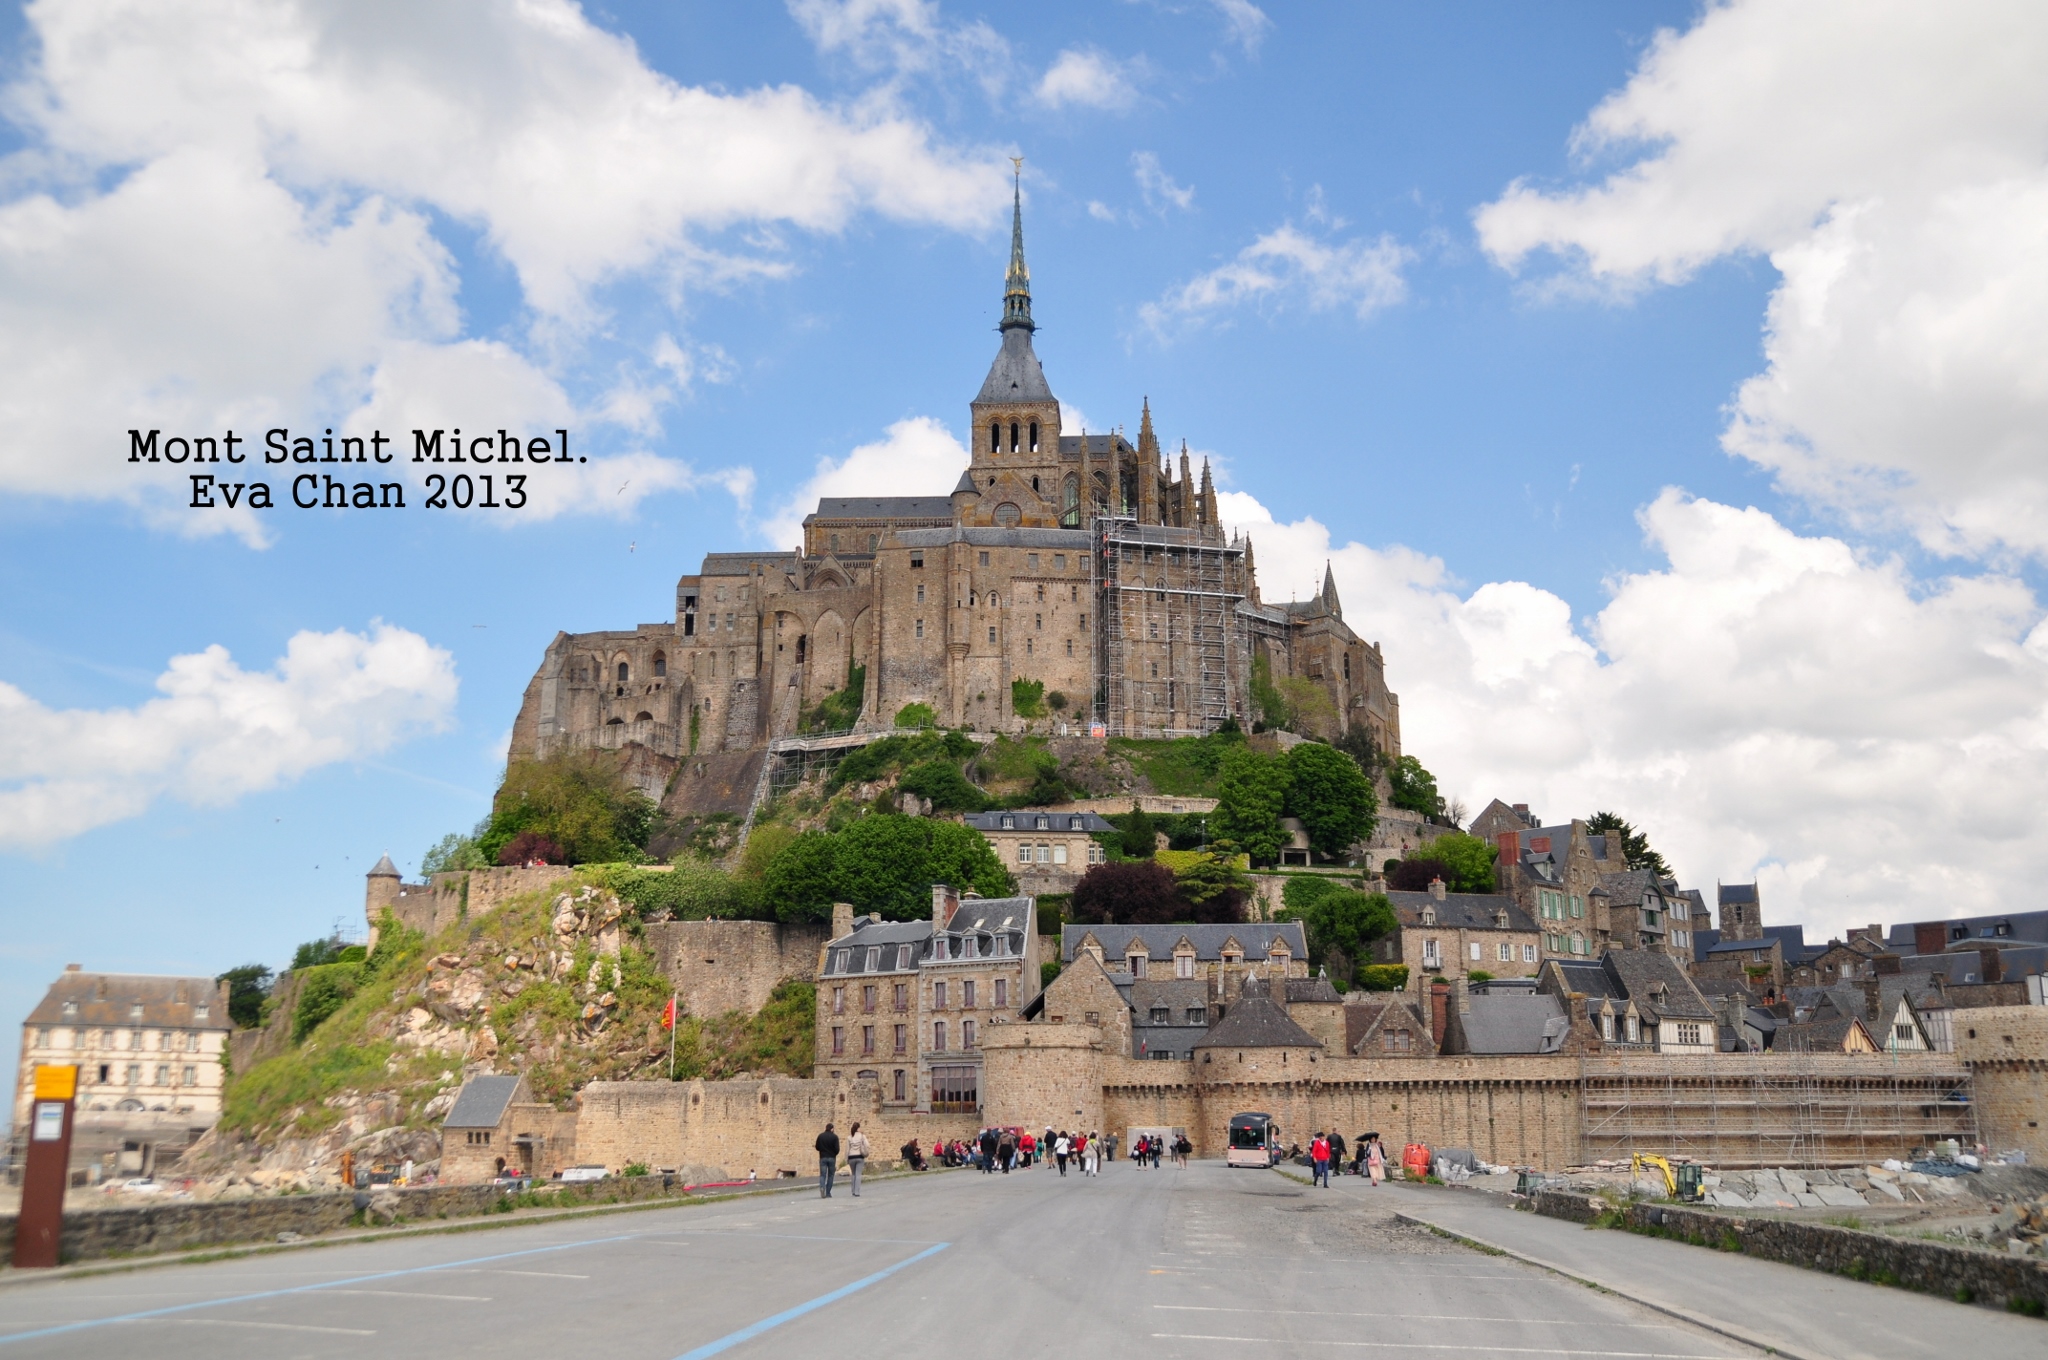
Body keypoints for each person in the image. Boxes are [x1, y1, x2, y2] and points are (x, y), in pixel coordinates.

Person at [815, 1122, 841, 1198]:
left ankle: (822, 1187)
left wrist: (822, 1150)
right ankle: (828, 1192)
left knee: (822, 1175)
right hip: (832, 1157)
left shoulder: (820, 1136)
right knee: (831, 1175)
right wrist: (834, 1153)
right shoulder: (835, 1137)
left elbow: (817, 1147)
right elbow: (837, 1149)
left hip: (823, 1157)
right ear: (832, 1129)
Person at [845, 1121, 871, 1197]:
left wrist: (846, 1159)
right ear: (859, 1128)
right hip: (859, 1156)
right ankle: (857, 1192)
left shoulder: (849, 1137)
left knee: (853, 1174)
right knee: (858, 1174)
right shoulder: (862, 1136)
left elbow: (847, 1149)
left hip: (851, 1157)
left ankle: (853, 1190)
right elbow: (867, 1145)